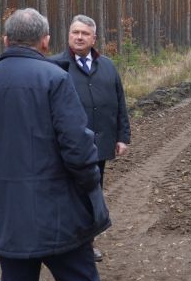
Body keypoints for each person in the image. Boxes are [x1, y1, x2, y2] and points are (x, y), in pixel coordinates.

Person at [0, 8, 111, 281]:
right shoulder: (56, 79)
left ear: (4, 41)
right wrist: (87, 190)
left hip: (6, 216)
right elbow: (79, 149)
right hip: (61, 215)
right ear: (45, 42)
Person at [51, 14, 131, 262]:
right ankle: (62, 242)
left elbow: (119, 103)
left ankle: (87, 243)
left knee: (92, 194)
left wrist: (122, 137)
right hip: (65, 148)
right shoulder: (54, 66)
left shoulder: (106, 65)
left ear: (94, 38)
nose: (79, 37)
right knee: (64, 195)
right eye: (75, 32)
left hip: (99, 146)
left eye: (85, 33)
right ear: (68, 35)